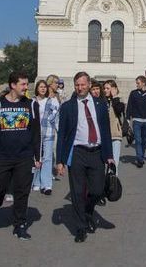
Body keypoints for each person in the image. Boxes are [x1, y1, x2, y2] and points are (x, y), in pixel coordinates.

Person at [56, 71, 114, 243]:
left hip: (96, 152)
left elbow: (105, 131)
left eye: (82, 84)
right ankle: (80, 228)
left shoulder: (100, 104)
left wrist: (109, 155)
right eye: (77, 85)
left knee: (97, 190)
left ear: (89, 84)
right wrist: (60, 161)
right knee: (77, 192)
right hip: (78, 153)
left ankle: (88, 209)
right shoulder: (68, 107)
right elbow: (62, 136)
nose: (80, 88)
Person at [0, 71, 42, 240]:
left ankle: (20, 225)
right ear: (12, 85)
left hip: (24, 156)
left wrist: (38, 157)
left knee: (22, 191)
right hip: (2, 156)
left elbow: (36, 133)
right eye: (23, 84)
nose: (26, 87)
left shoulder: (31, 105)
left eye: (26, 84)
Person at [31, 79, 59, 195]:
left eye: (44, 87)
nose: (43, 88)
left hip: (48, 133)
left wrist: (59, 131)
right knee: (37, 159)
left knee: (47, 158)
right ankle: (36, 182)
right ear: (37, 88)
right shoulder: (31, 101)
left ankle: (46, 185)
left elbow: (56, 117)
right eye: (40, 87)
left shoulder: (52, 101)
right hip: (35, 134)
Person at [126, 75, 146, 168]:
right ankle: (140, 159)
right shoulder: (133, 93)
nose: (137, 85)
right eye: (136, 83)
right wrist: (127, 119)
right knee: (138, 140)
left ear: (143, 83)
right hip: (137, 120)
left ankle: (141, 156)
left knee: (144, 140)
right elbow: (129, 106)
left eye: (138, 83)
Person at [103, 80, 125, 174]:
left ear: (114, 89)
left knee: (114, 162)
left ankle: (113, 183)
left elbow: (119, 110)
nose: (105, 90)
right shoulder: (102, 100)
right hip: (103, 135)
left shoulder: (119, 99)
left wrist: (115, 96)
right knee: (103, 162)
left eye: (108, 88)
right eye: (104, 88)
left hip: (115, 134)